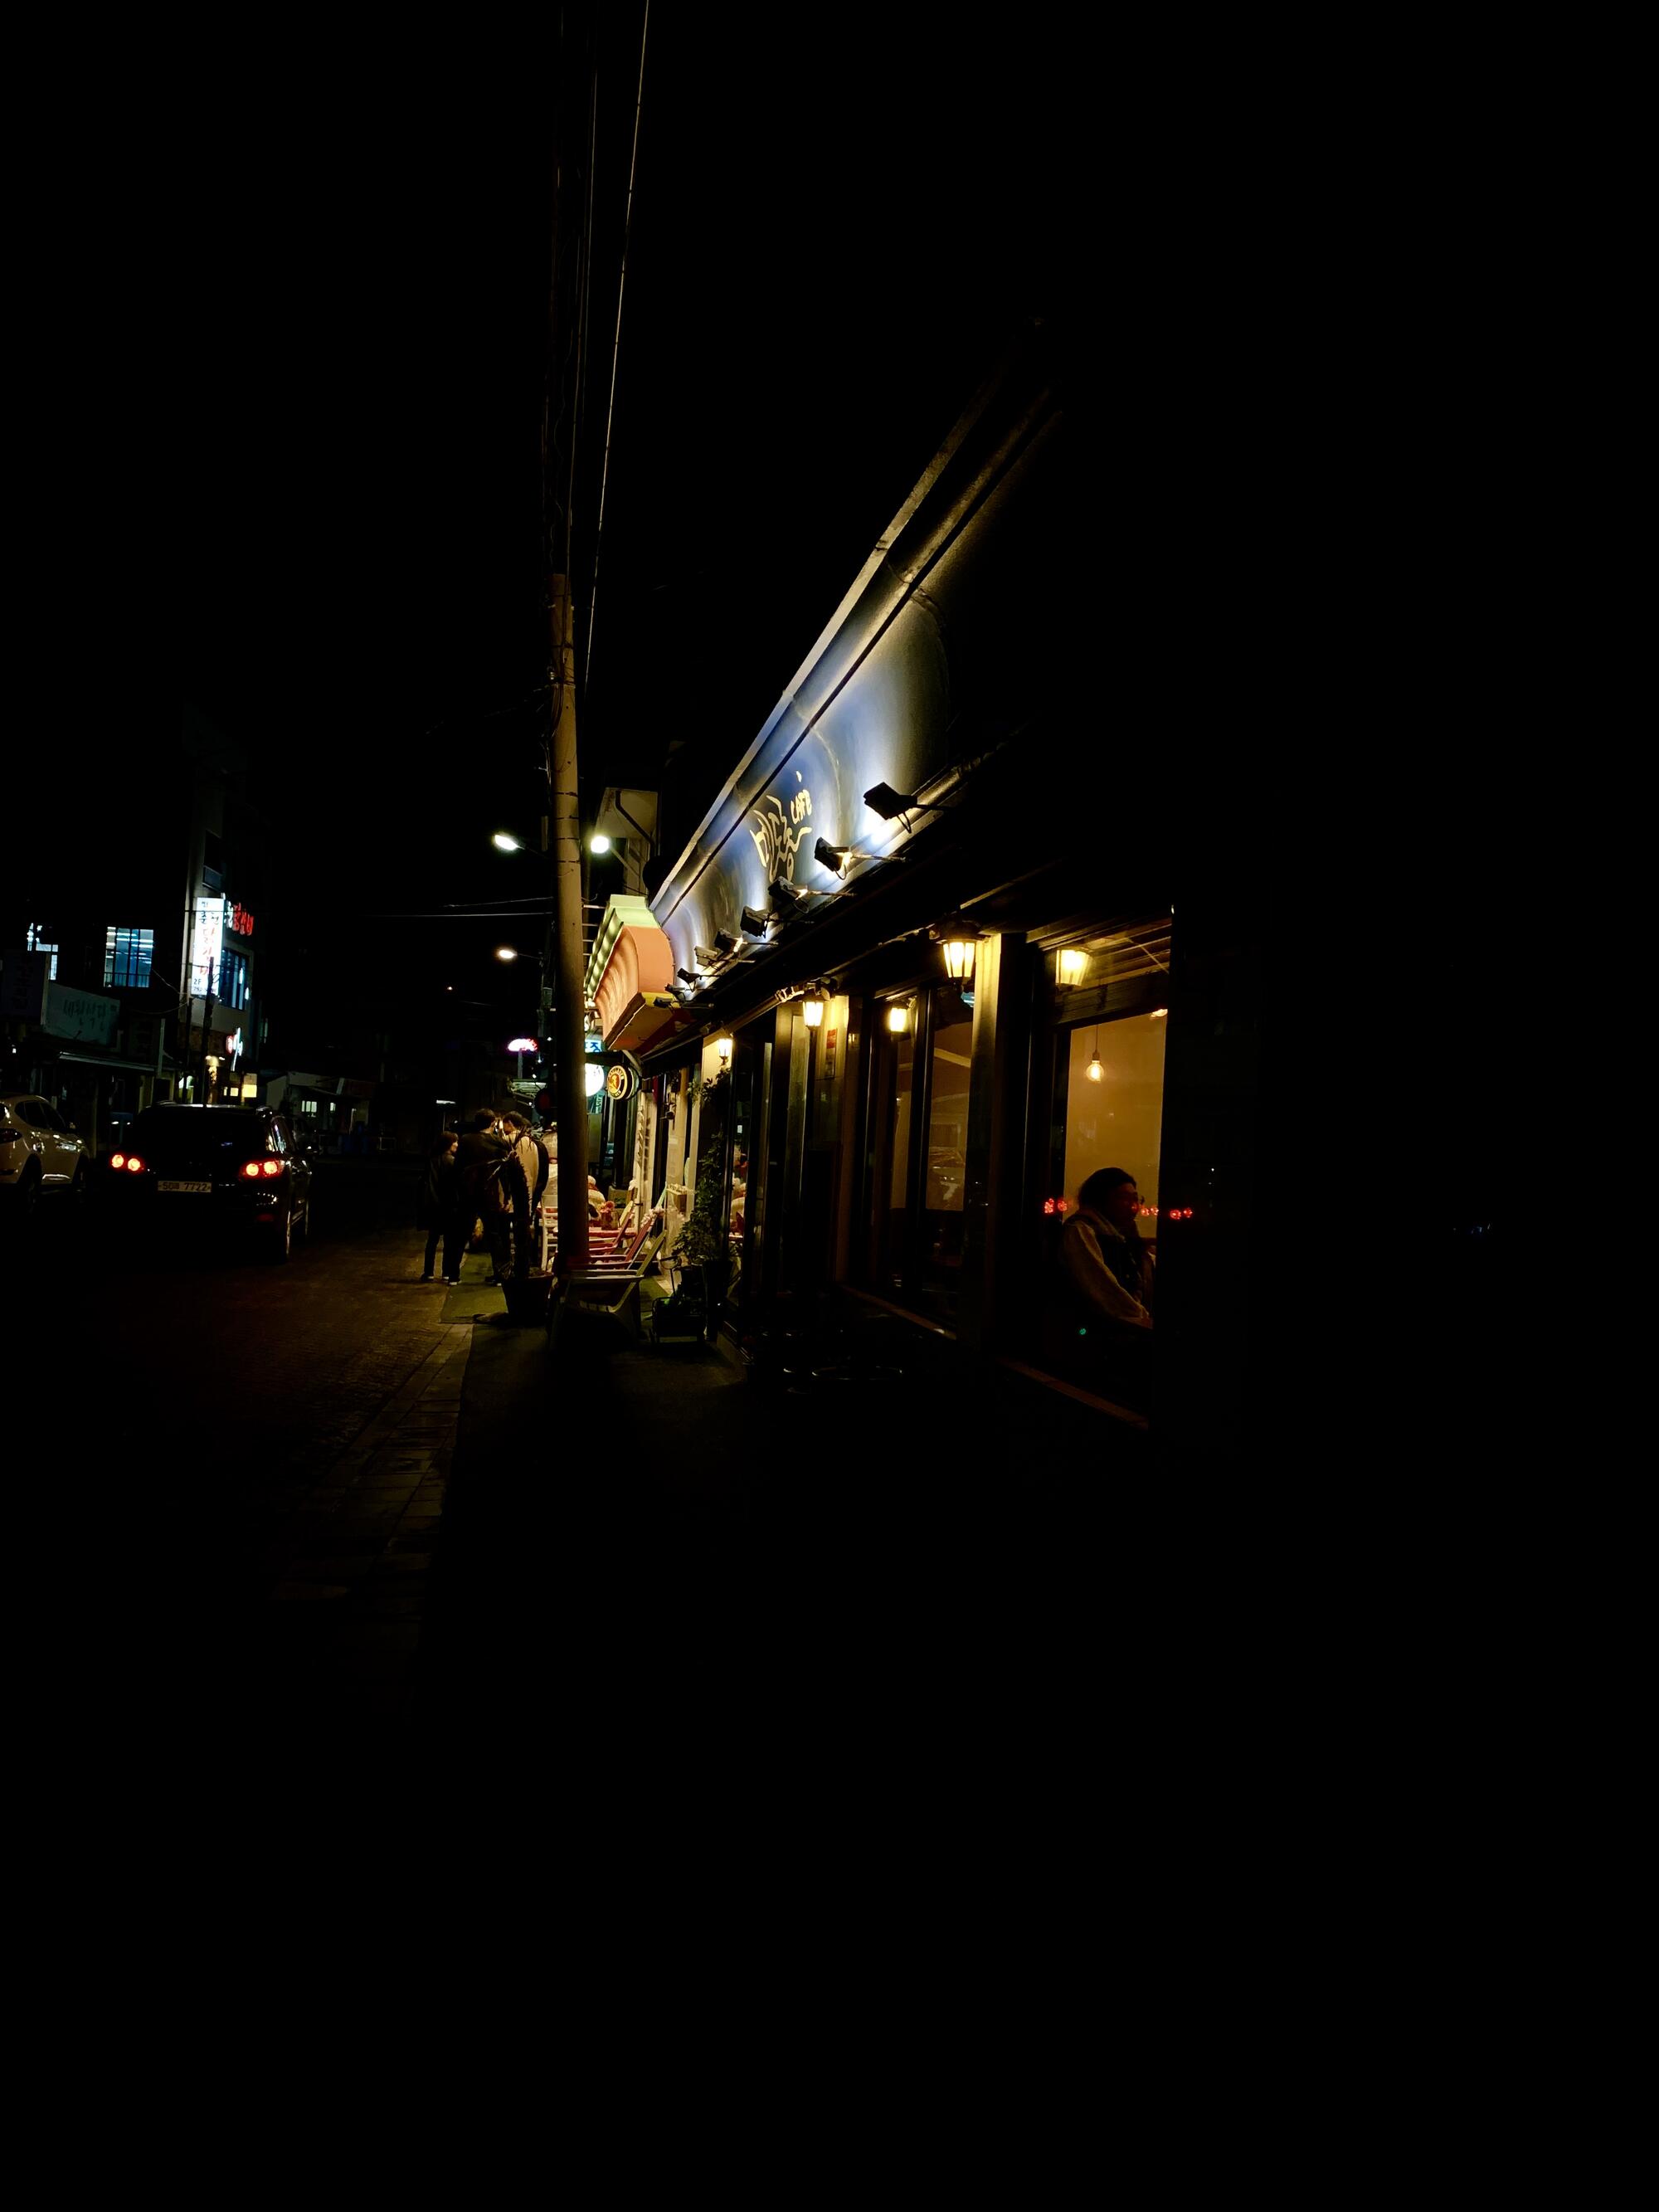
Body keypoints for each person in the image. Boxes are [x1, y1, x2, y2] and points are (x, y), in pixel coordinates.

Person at [1055, 1167, 1155, 1406]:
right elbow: (1101, 1287)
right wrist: (1141, 1320)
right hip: (1097, 1344)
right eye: (1123, 1198)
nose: (1133, 1206)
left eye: (1135, 1199)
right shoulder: (1081, 1230)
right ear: (1101, 1199)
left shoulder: (1121, 1235)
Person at [451, 1106, 513, 1285]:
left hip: (468, 1193)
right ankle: (500, 1274)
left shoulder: (466, 1140)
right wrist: (507, 1196)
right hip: (490, 1193)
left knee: (461, 1233)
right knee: (494, 1235)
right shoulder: (499, 1143)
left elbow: (457, 1168)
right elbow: (505, 1172)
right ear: (493, 1123)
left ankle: (453, 1276)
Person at [417, 1129, 459, 1283]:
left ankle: (428, 1272)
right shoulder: (453, 1162)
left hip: (433, 1205)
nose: (457, 1145)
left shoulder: (432, 1161)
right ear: (449, 1144)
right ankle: (446, 1272)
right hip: (449, 1206)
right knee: (449, 1242)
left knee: (432, 1240)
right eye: (455, 1142)